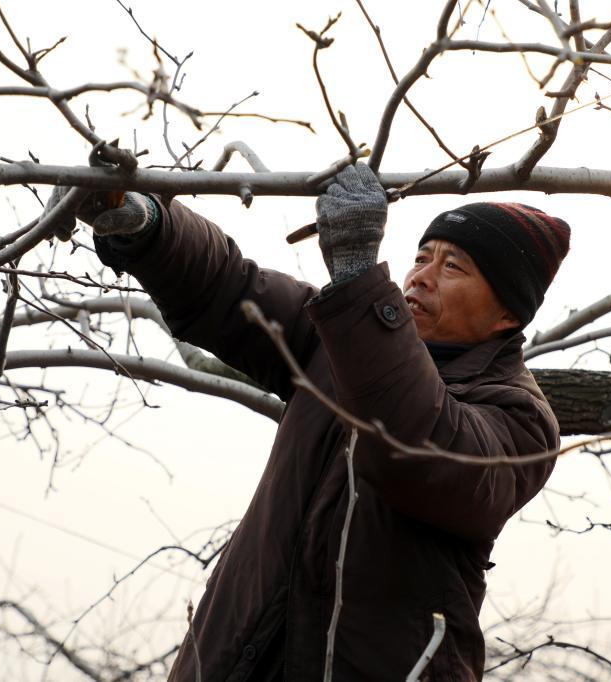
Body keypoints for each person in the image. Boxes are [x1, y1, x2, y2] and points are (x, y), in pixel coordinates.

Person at [45, 164, 570, 680]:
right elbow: (228, 288)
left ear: (508, 314)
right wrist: (151, 225)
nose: (420, 277)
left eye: (453, 267)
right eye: (422, 257)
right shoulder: (334, 341)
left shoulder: (520, 421)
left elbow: (415, 446)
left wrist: (359, 275)